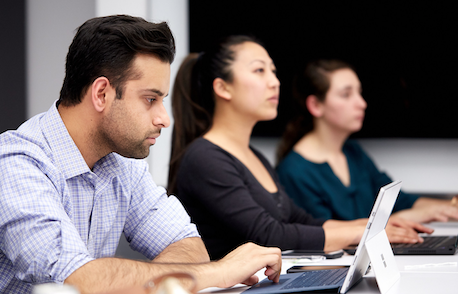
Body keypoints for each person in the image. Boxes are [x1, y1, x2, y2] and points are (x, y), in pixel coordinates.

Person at [0, 15, 282, 294]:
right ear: (102, 93)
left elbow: (187, 244)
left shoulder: (121, 163)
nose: (164, 118)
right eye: (151, 99)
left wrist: (144, 282)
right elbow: (78, 281)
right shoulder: (10, 164)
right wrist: (221, 271)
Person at [168, 36, 431, 261]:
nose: (274, 82)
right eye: (260, 71)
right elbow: (270, 234)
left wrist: (372, 225)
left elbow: (301, 219)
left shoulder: (255, 157)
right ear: (223, 87)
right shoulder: (205, 158)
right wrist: (362, 232)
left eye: (273, 71)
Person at [276, 59, 458, 223]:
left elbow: (399, 201)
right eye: (346, 95)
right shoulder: (294, 172)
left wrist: (450, 206)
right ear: (315, 105)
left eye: (359, 93)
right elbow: (327, 236)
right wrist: (406, 218)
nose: (362, 103)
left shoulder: (353, 153)